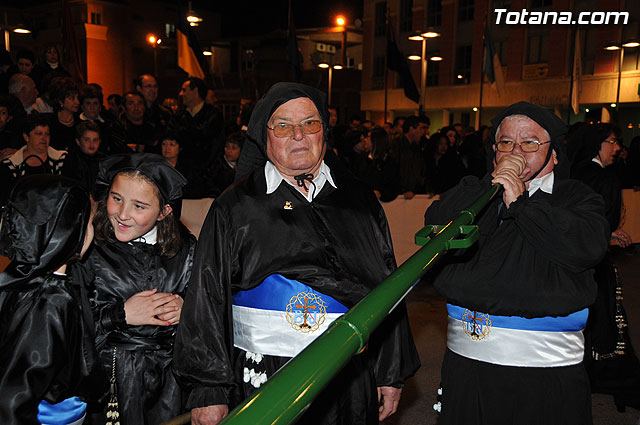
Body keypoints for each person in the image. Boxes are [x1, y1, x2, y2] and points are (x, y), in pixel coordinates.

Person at [173, 82, 420, 425]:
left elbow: (385, 286)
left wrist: (390, 372)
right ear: (265, 136)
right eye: (284, 126)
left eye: (310, 123)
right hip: (265, 374)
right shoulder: (236, 205)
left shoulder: (359, 201)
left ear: (325, 132)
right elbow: (207, 296)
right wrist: (208, 389)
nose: (299, 135)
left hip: (347, 371)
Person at [424, 101, 610, 425]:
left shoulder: (577, 199)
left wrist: (521, 205)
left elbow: (586, 246)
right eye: (506, 142)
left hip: (546, 375)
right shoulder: (475, 193)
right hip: (469, 372)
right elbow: (436, 234)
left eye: (530, 143)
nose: (516, 151)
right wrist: (489, 189)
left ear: (554, 155)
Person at [84, 153, 196, 425]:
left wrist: (189, 308)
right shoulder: (88, 248)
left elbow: (215, 312)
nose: (122, 215)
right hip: (108, 380)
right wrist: (120, 314)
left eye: (139, 206)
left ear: (164, 212)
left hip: (170, 383)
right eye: (116, 198)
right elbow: (65, 325)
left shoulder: (186, 250)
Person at [0, 174, 100, 425]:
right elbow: (13, 398)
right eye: (89, 222)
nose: (93, 230)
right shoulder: (51, 301)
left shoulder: (13, 279)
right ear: (68, 230)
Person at [569, 123, 640, 411]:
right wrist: (606, 234)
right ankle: (618, 383)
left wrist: (607, 234)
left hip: (577, 259)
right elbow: (590, 219)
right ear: (596, 144)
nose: (617, 148)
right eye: (611, 142)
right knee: (605, 321)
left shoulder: (576, 174)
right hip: (594, 262)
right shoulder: (600, 176)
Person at [0, 114, 67, 204]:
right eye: (39, 134)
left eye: (47, 134)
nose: (44, 138)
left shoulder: (62, 159)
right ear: (26, 137)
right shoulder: (10, 165)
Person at [62, 121, 106, 194]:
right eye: (86, 140)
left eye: (95, 140)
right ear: (78, 142)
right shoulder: (71, 160)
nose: (92, 144)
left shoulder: (105, 160)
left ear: (100, 141)